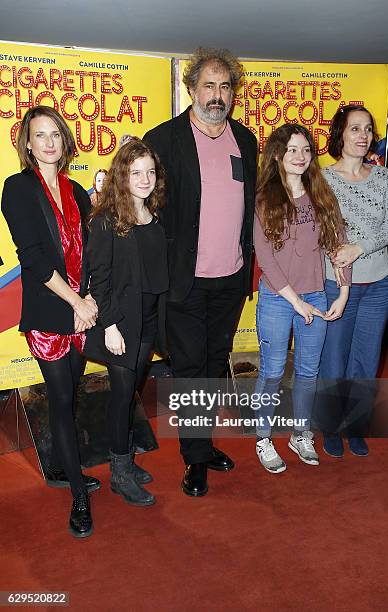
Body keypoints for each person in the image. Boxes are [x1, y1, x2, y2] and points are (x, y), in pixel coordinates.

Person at [144, 47, 258, 497]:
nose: (217, 95)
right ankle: (195, 459)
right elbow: (145, 207)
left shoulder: (246, 141)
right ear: (190, 89)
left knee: (212, 368)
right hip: (183, 282)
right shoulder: (164, 138)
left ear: (233, 94)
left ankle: (204, 445)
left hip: (230, 278)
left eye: (225, 86)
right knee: (190, 370)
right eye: (208, 85)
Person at [1, 105, 99, 538]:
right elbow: (34, 260)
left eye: (55, 133)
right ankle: (78, 493)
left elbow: (94, 252)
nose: (48, 142)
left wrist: (91, 297)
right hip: (51, 313)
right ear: (27, 143)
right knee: (59, 399)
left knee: (71, 394)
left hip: (83, 310)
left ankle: (63, 466)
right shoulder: (17, 189)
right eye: (39, 135)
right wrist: (77, 302)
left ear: (65, 139)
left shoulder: (76, 190)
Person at [253, 123, 351, 473]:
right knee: (273, 371)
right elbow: (265, 258)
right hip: (279, 299)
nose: (300, 156)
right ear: (278, 154)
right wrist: (297, 303)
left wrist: (342, 292)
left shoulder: (321, 194)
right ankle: (263, 437)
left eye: (306, 150)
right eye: (292, 149)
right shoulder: (265, 198)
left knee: (308, 371)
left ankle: (300, 433)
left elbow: (338, 245)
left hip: (317, 295)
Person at [84, 138, 168, 506]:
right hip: (121, 323)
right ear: (122, 175)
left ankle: (126, 460)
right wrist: (111, 325)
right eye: (136, 172)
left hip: (149, 321)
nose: (145, 179)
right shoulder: (107, 221)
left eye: (150, 172)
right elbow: (97, 280)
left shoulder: (154, 217)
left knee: (131, 391)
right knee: (120, 397)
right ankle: (119, 472)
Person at [319, 105, 388, 457]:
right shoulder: (321, 179)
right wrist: (340, 255)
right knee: (333, 360)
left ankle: (356, 426)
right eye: (355, 128)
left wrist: (358, 247)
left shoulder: (382, 177)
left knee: (365, 362)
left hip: (380, 285)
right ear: (340, 134)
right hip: (337, 285)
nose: (363, 135)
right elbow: (316, 230)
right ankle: (330, 427)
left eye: (367, 129)